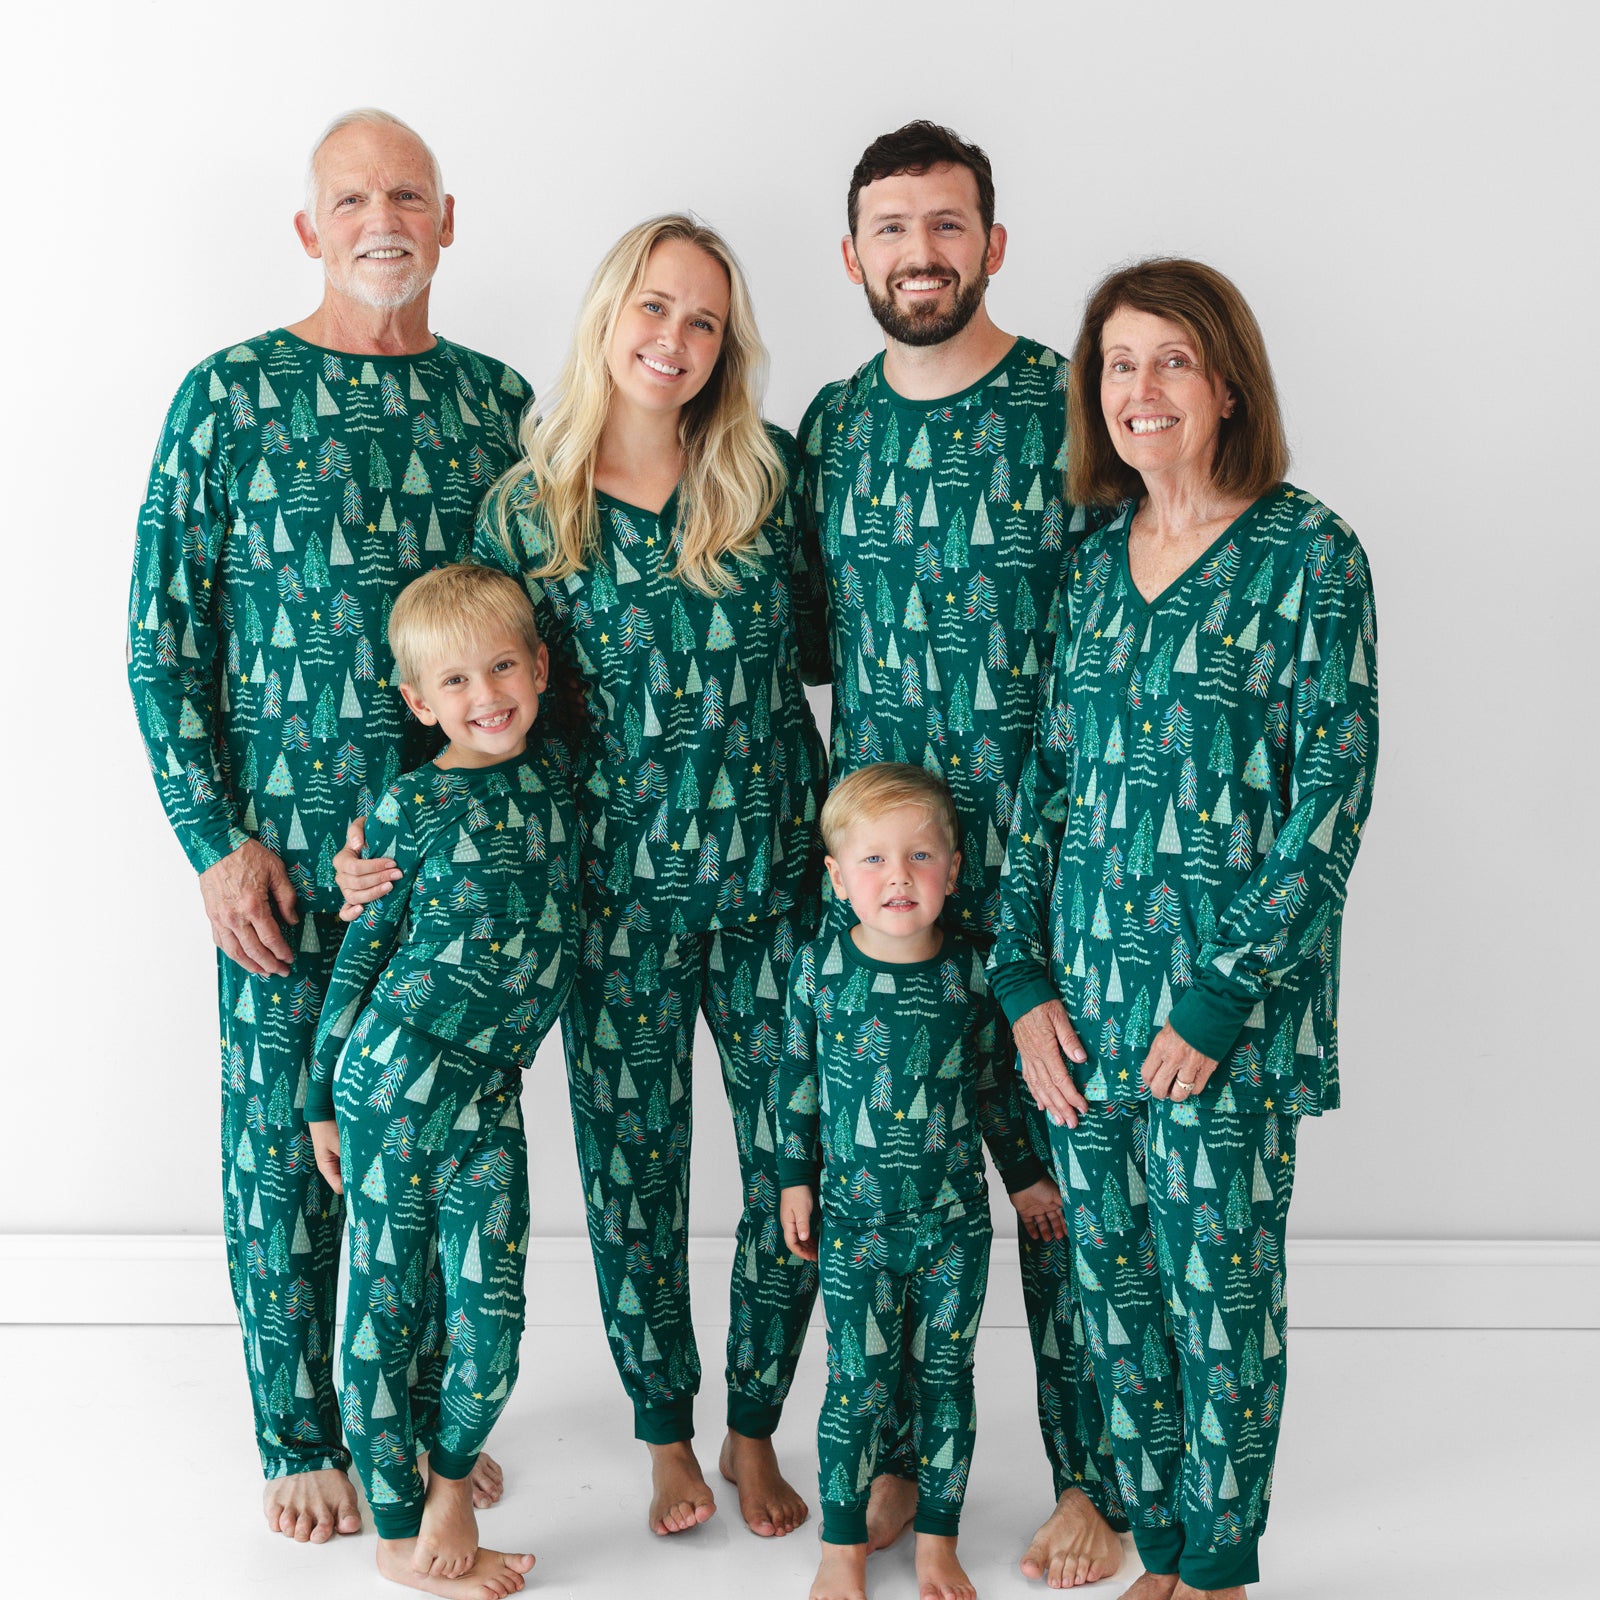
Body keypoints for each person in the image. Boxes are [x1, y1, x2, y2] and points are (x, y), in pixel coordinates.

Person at [335, 215, 831, 1539]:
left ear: (728, 348)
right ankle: (667, 1433)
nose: (673, 340)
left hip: (774, 888)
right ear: (610, 318)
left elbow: (834, 659)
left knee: (800, 1161)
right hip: (603, 909)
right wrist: (386, 839)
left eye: (703, 321)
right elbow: (470, 701)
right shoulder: (524, 507)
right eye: (653, 310)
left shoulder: (769, 479)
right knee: (636, 1181)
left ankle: (750, 1429)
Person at [125, 107, 530, 1541]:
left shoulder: (498, 405)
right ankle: (303, 1435)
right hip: (281, 868)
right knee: (281, 1150)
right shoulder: (228, 395)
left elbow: (551, 638)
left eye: (407, 194)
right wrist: (209, 841)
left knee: (428, 1159)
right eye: (352, 198)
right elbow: (158, 641)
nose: (382, 219)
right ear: (311, 228)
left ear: (447, 218)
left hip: (454, 878)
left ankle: (415, 1428)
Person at [992, 258, 1378, 1600]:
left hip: (1216, 1015)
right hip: (1081, 1012)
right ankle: (1162, 1535)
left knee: (1215, 1291)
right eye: (1116, 364)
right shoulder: (1095, 566)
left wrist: (1223, 998)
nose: (1139, 389)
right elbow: (1047, 783)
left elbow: (1331, 792)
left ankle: (1218, 1561)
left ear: (1226, 384)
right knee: (1114, 1294)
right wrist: (1022, 972)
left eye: (1168, 361)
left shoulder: (1308, 555)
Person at [797, 120, 1124, 1587]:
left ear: (993, 244)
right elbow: (809, 641)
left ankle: (1093, 1482)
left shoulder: (1072, 404)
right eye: (890, 228)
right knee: (892, 1186)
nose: (917, 253)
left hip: (1045, 867)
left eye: (947, 226)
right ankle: (881, 1460)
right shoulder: (834, 426)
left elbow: (1130, 622)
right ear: (851, 252)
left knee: (1059, 1191)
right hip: (889, 892)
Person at [306, 563, 574, 1598]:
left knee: (490, 1312)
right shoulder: (409, 805)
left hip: (489, 1091)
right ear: (418, 703)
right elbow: (362, 957)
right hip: (393, 1077)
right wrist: (320, 1096)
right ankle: (393, 1529)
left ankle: (446, 1466)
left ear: (540, 667)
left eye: (503, 665)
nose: (486, 694)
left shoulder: (556, 778)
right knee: (384, 1300)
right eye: (454, 682)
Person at [780, 764, 1060, 1600]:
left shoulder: (970, 978)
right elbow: (793, 1086)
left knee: (946, 1382)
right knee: (856, 1386)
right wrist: (795, 1182)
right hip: (855, 1225)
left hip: (952, 1226)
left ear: (955, 866)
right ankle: (840, 1549)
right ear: (835, 878)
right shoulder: (821, 972)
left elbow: (991, 1091)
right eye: (872, 860)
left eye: (920, 856)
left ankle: (938, 1538)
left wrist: (1023, 1181)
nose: (897, 876)